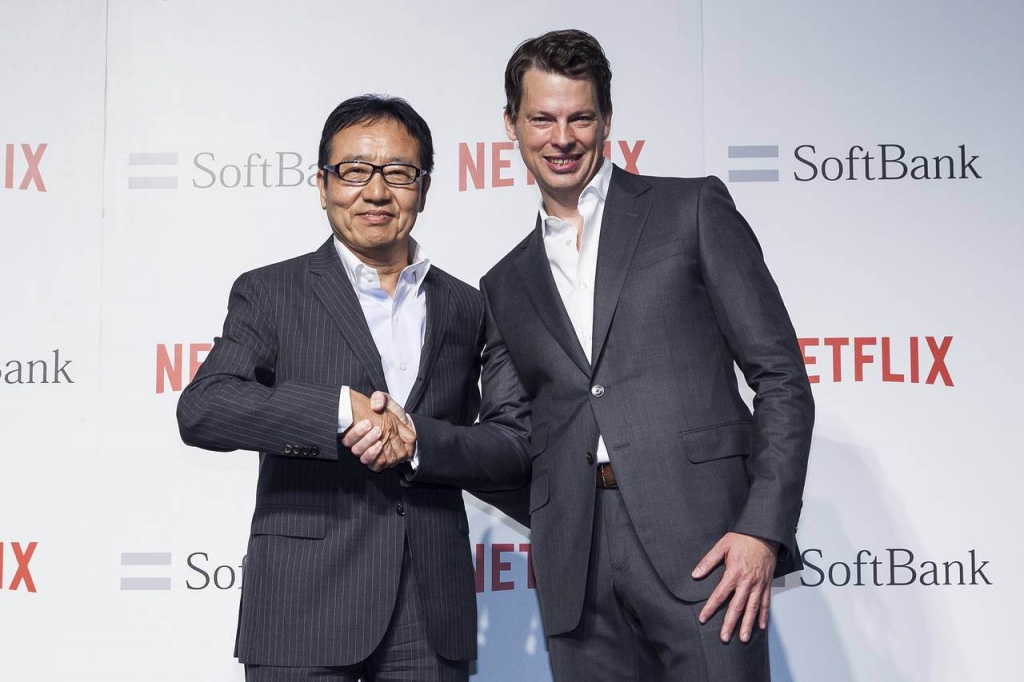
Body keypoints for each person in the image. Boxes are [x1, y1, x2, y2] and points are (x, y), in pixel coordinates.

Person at [351, 28, 815, 681]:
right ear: (511, 124)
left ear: (606, 122)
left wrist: (761, 529)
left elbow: (782, 379)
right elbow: (512, 441)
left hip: (707, 549)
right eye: (541, 118)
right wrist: (419, 438)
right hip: (575, 563)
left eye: (580, 118)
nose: (561, 138)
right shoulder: (505, 284)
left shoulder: (691, 210)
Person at [176, 94, 529, 682]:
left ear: (424, 186)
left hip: (430, 606)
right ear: (322, 184)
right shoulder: (269, 292)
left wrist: (417, 442)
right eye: (354, 171)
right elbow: (205, 409)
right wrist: (340, 411)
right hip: (300, 606)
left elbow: (509, 443)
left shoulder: (469, 305)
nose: (375, 191)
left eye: (398, 173)